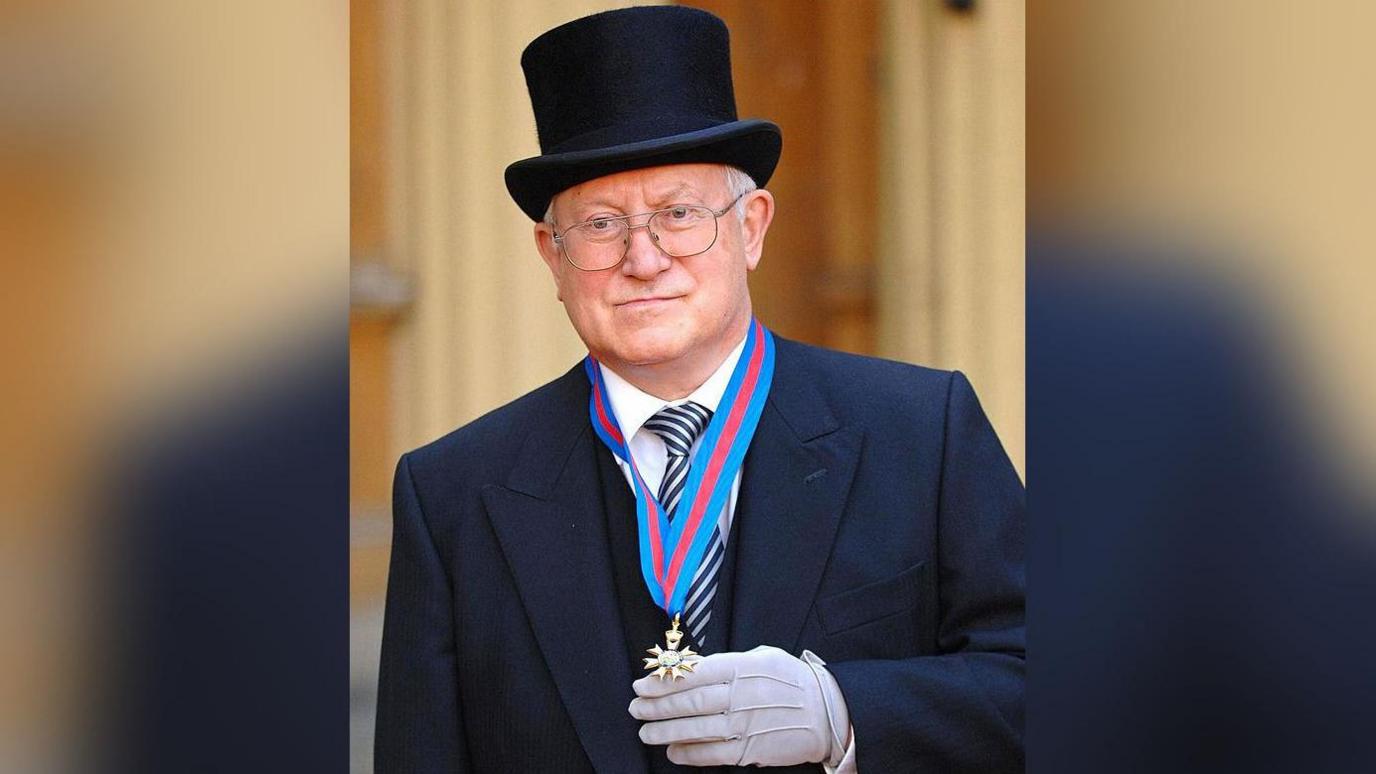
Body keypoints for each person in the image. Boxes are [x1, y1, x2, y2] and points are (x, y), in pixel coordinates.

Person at [375, 7, 1024, 773]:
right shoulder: (452, 494)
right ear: (552, 256)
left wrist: (847, 711)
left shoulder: (923, 432)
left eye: (679, 214)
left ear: (751, 227)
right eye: (600, 225)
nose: (643, 259)